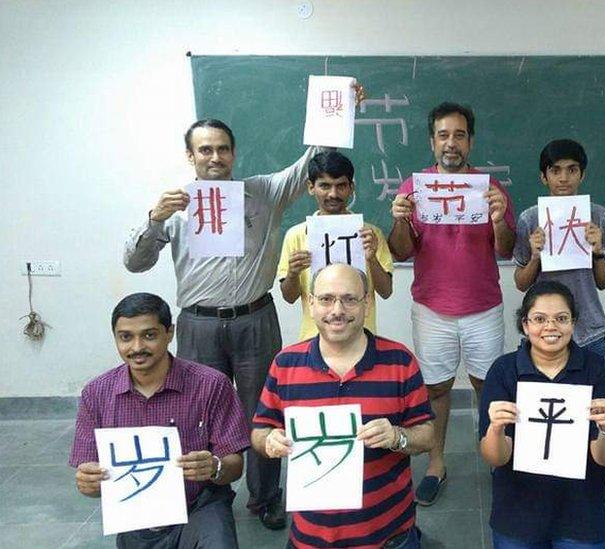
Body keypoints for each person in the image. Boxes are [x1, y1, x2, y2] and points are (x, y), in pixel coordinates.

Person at [123, 92, 362, 529]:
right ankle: (203, 495)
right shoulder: (176, 207)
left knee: (264, 412)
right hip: (198, 322)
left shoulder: (263, 192)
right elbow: (134, 262)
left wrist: (341, 108)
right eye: (205, 150)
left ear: (234, 153)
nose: (215, 157)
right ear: (190, 155)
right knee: (195, 411)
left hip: (255, 317)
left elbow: (309, 160)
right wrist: (154, 218)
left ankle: (266, 497)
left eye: (222, 149)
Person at [252, 263, 435, 548]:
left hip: (388, 536)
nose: (337, 310)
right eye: (326, 299)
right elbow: (260, 430)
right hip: (310, 537)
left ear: (367, 303)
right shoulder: (285, 364)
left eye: (350, 299)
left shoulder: (400, 361)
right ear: (311, 304)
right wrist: (269, 441)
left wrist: (397, 436)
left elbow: (426, 436)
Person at [388, 102, 516, 506]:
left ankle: (497, 461)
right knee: (436, 389)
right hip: (432, 309)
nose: (451, 143)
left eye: (459, 135)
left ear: (470, 141)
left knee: (487, 386)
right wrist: (399, 220)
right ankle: (436, 463)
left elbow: (507, 250)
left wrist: (497, 220)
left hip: (483, 306)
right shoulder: (414, 187)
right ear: (432, 141)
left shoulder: (490, 189)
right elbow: (400, 252)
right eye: (443, 135)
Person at [69, 293, 250, 548]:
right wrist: (88, 483)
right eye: (126, 337)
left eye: (149, 335)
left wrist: (214, 467)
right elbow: (89, 473)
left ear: (170, 333)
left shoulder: (211, 385)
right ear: (115, 338)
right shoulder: (96, 394)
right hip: (136, 514)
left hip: (200, 506)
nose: (137, 347)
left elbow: (234, 465)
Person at [479, 281, 605, 548]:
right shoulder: (503, 371)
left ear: (573, 323)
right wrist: (496, 430)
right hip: (518, 510)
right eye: (539, 319)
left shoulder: (597, 370)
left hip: (582, 511)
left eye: (561, 318)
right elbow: (495, 457)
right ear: (525, 325)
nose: (550, 327)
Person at [513, 139, 605, 363]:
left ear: (582, 175)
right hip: (544, 332)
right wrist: (535, 257)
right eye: (555, 170)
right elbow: (521, 283)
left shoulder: (598, 216)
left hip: (589, 331)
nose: (564, 178)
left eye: (572, 170)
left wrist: (598, 252)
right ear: (543, 176)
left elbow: (604, 282)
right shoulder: (530, 219)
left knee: (597, 397)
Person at [278, 150, 393, 341]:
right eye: (324, 186)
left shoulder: (370, 234)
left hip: (362, 337)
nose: (333, 194)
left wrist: (372, 259)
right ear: (311, 187)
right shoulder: (296, 235)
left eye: (341, 186)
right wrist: (292, 273)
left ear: (351, 188)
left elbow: (386, 291)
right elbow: (289, 297)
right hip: (313, 338)